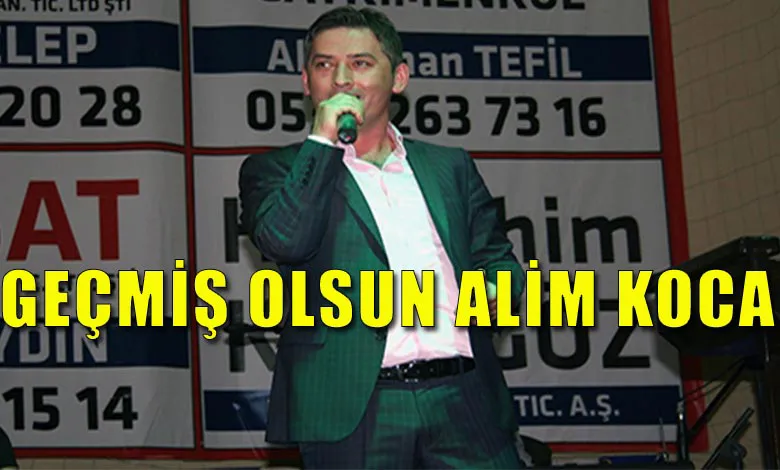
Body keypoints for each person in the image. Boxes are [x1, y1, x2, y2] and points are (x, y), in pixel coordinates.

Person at [238, 6, 526, 469]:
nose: (341, 79)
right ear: (306, 83)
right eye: (324, 65)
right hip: (355, 409)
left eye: (360, 63)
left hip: (466, 398)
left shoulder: (449, 166)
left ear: (399, 78)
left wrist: (498, 289)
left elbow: (497, 257)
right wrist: (323, 143)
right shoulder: (275, 170)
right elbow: (284, 242)